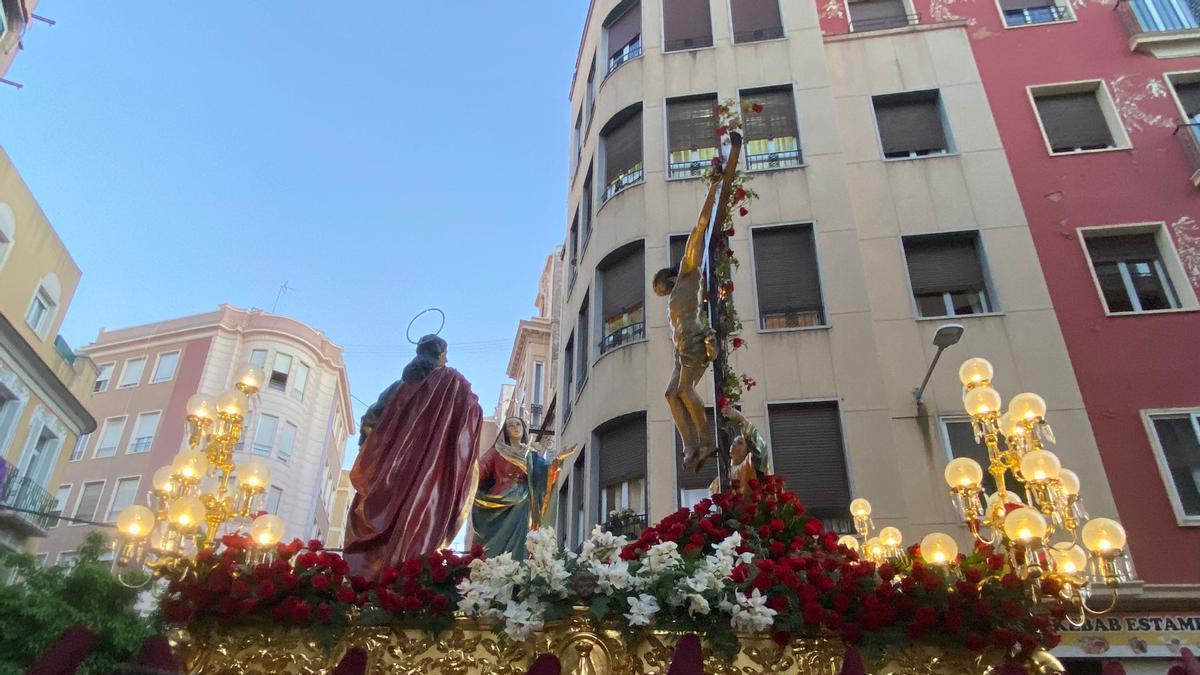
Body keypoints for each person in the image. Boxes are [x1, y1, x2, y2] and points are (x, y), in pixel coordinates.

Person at [343, 334, 483, 579]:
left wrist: (378, 451)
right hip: (425, 471)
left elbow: (370, 421)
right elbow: (469, 414)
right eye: (445, 354)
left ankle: (382, 573)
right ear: (439, 355)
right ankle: (407, 574)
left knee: (389, 515)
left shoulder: (397, 388)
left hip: (390, 471)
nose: (447, 359)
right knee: (416, 519)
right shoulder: (451, 383)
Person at [653, 133, 742, 474]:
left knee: (686, 389)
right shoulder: (675, 296)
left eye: (661, 288)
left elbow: (700, 227)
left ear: (668, 279)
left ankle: (705, 442)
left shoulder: (689, 273)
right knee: (670, 394)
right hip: (681, 345)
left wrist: (713, 189)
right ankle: (691, 445)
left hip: (693, 334)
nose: (662, 294)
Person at [471, 416, 578, 559]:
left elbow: (545, 473)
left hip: (524, 504)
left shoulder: (531, 455)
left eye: (518, 424)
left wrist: (558, 460)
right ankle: (494, 566)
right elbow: (480, 470)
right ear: (505, 431)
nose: (515, 428)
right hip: (499, 501)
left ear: (523, 429)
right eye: (511, 426)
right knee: (495, 545)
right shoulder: (497, 451)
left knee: (523, 541)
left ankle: (519, 565)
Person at [708, 405, 772, 495]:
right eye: (734, 441)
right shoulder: (717, 481)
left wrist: (741, 419)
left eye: (740, 443)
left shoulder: (750, 467)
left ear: (748, 451)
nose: (734, 443)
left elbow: (761, 450)